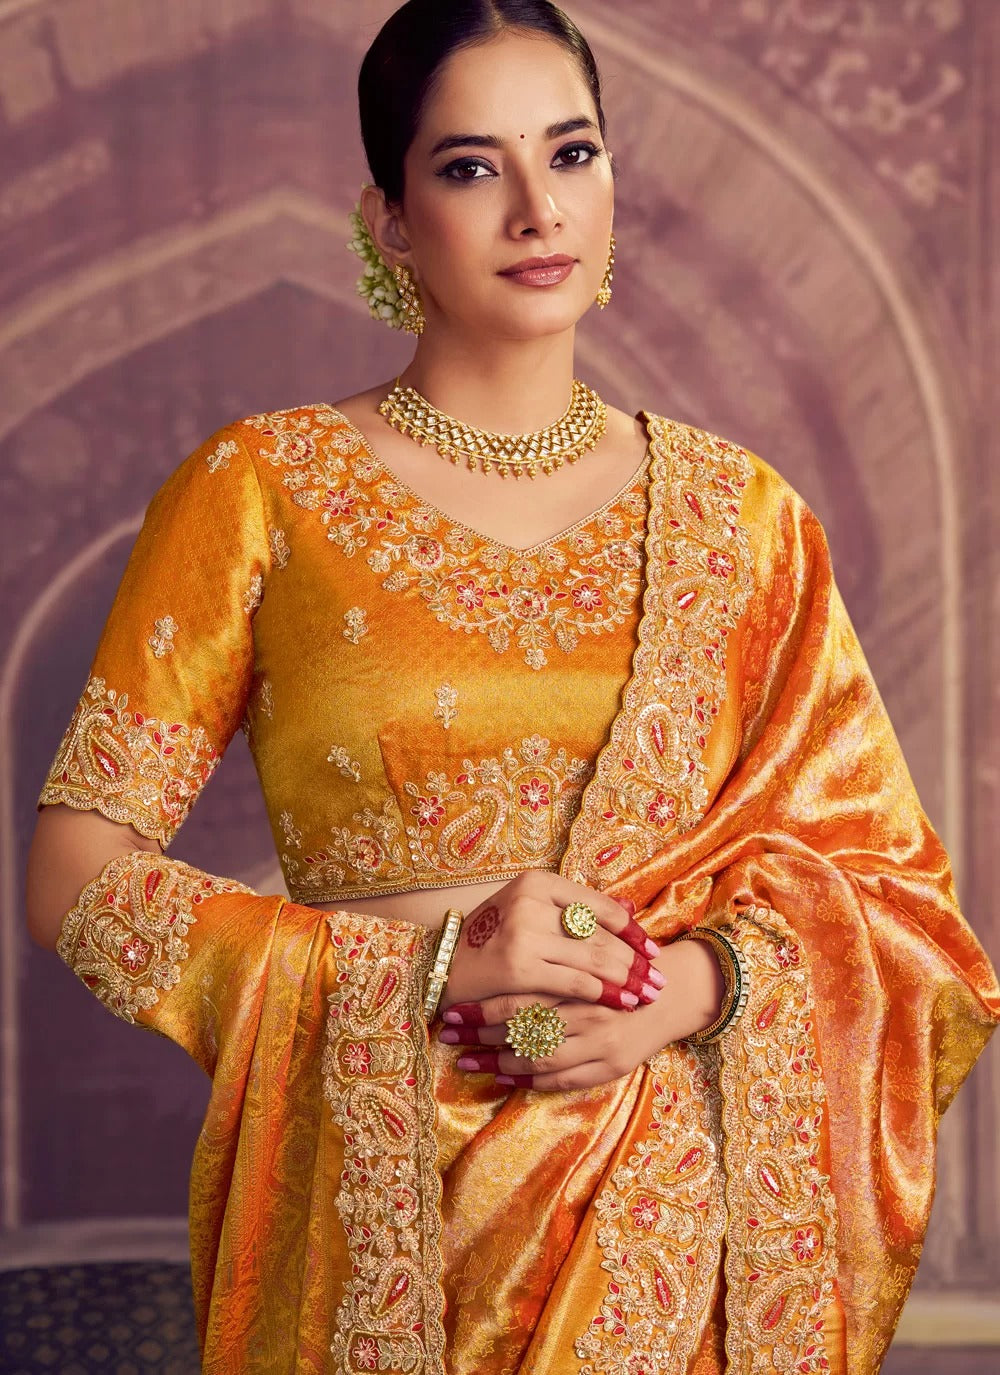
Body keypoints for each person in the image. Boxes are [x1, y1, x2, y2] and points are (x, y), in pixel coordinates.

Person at [25, 2, 998, 1371]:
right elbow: (76, 873)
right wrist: (418, 968)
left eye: (575, 153)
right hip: (381, 1202)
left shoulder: (742, 520)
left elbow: (900, 914)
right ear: (389, 221)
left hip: (667, 1239)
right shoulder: (260, 492)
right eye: (474, 167)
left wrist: (696, 990)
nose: (541, 208)